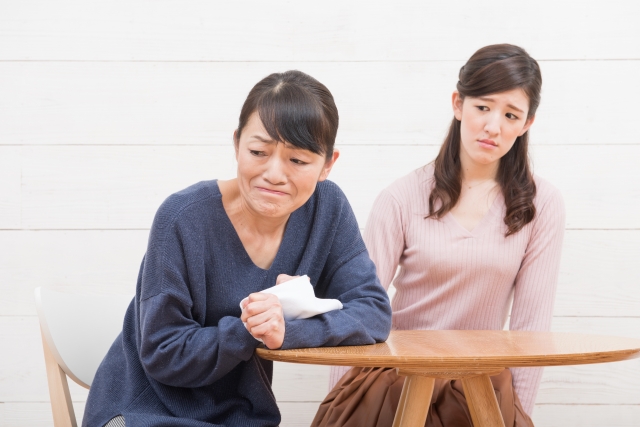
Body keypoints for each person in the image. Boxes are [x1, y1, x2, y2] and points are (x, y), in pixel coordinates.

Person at [82, 70, 392, 427]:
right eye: (258, 151)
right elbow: (162, 351)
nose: (274, 174)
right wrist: (251, 329)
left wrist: (287, 327)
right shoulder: (182, 218)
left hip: (242, 418)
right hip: (143, 413)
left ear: (328, 164)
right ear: (236, 144)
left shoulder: (328, 210)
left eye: (298, 161)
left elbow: (373, 312)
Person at [313, 44, 565, 427]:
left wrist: (516, 415)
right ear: (458, 104)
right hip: (395, 379)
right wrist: (339, 403)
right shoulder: (401, 197)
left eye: (511, 114)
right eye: (483, 107)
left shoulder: (541, 204)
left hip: (478, 385)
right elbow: (358, 312)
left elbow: (530, 330)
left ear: (526, 123)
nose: (493, 126)